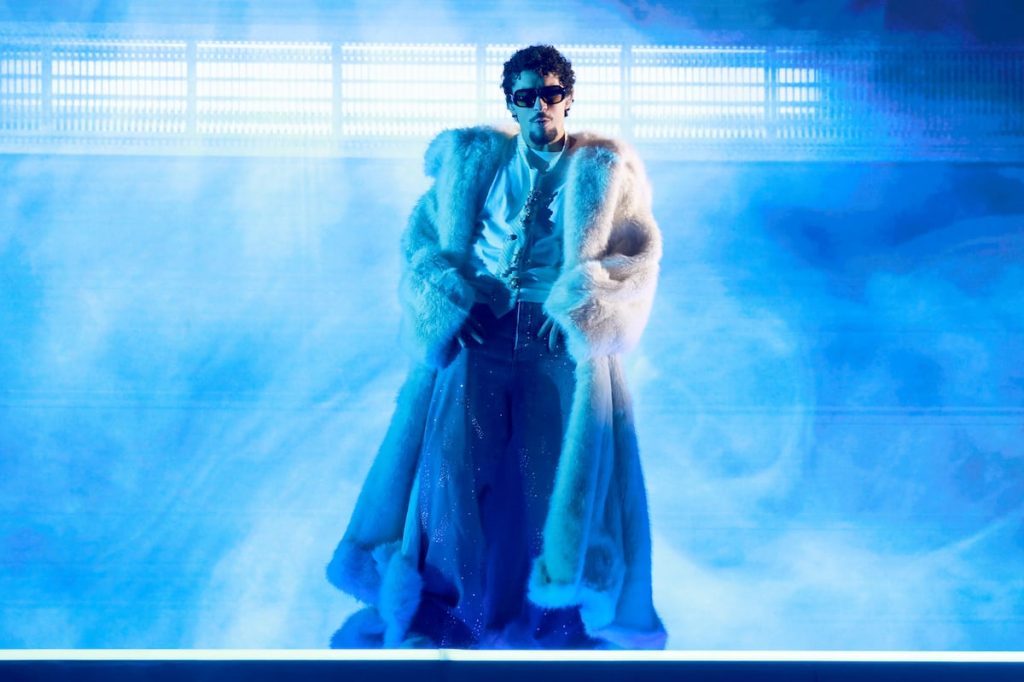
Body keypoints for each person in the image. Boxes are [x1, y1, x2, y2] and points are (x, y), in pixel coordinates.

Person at [326, 44, 666, 649]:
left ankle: (554, 623)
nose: (540, 106)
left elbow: (638, 256)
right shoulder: (472, 162)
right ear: (511, 103)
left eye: (551, 93)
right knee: (450, 481)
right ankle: (447, 618)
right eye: (526, 96)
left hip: (554, 344)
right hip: (480, 334)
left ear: (568, 97)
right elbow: (420, 245)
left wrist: (581, 305)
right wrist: (449, 303)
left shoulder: (604, 170)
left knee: (550, 485)